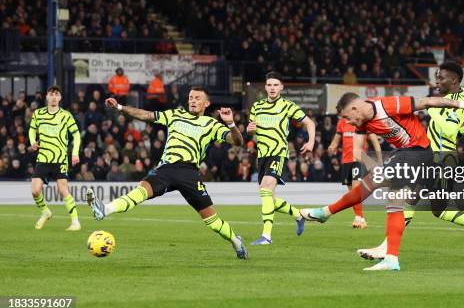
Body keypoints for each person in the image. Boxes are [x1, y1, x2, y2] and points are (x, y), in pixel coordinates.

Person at [301, 91, 464, 271]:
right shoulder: (360, 122)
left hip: (418, 151)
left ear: (354, 108)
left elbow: (428, 101)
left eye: (346, 117)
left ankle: (325, 213)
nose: (347, 122)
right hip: (408, 154)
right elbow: (357, 151)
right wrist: (375, 168)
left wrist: (462, 106)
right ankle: (392, 258)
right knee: (407, 203)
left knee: (381, 189)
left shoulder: (388, 105)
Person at [86, 87, 248, 259]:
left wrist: (230, 124)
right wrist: (120, 107)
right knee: (140, 191)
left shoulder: (212, 124)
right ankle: (104, 209)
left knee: (213, 222)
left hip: (189, 173)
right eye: (191, 97)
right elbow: (146, 115)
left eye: (197, 98)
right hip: (167, 168)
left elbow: (237, 142)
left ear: (206, 103)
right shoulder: (175, 115)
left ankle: (235, 241)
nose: (193, 100)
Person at [357, 61, 464, 261]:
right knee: (425, 205)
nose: (437, 81)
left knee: (420, 203)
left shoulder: (458, 100)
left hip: (444, 160)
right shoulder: (454, 100)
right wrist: (463, 130)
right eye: (436, 77)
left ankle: (387, 248)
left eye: (441, 77)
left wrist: (431, 109)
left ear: (454, 80)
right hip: (433, 158)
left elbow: (448, 129)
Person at [247, 71, 316, 245]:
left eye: (275, 85)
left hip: (278, 153)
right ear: (265, 87)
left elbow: (310, 123)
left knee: (264, 189)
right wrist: (250, 130)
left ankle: (266, 236)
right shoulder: (256, 107)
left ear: (281, 88)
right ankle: (298, 215)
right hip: (262, 156)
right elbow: (252, 130)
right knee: (269, 198)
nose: (272, 88)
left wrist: (311, 142)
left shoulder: (288, 106)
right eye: (269, 85)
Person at [28, 86, 81, 231]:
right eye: (51, 94)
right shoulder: (38, 114)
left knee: (63, 189)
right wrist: (32, 141)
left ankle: (75, 222)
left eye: (56, 94)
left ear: (60, 98)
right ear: (46, 97)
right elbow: (32, 129)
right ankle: (45, 212)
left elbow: (76, 135)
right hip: (43, 158)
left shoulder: (66, 115)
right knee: (35, 191)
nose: (53, 97)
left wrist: (75, 153)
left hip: (60, 158)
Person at [328, 118, 381, 229]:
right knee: (352, 193)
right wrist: (332, 146)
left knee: (356, 189)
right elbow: (336, 140)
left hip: (359, 159)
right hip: (346, 161)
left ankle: (358, 218)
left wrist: (379, 159)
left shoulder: (362, 121)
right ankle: (360, 218)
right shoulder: (342, 122)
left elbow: (374, 140)